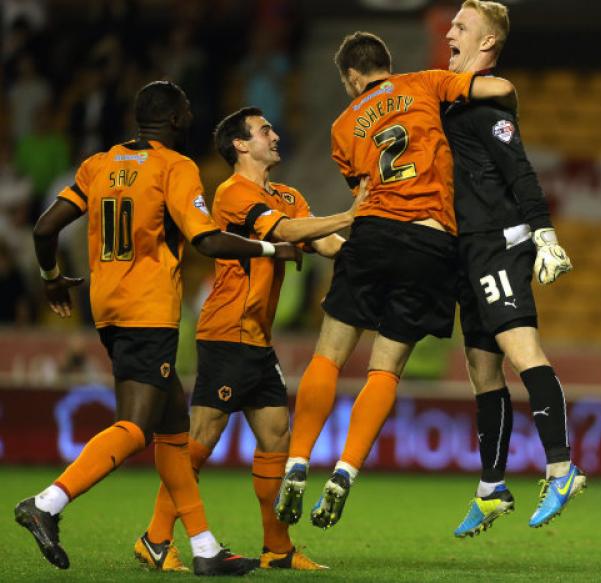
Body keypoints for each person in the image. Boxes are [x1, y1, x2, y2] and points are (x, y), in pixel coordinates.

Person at [14, 81, 301, 577]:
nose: (191, 117)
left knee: (172, 432)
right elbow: (207, 242)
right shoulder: (175, 166)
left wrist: (52, 279)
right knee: (136, 426)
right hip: (148, 309)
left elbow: (44, 228)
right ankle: (48, 502)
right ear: (173, 120)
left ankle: (205, 549)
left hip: (106, 306)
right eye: (187, 110)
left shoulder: (99, 163)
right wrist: (273, 249)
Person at [275, 31, 517, 529]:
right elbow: (496, 90)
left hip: (376, 232)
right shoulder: (426, 83)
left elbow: (362, 190)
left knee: (329, 355)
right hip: (432, 243)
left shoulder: (343, 126)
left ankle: (298, 460)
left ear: (350, 77)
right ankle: (346, 471)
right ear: (386, 63)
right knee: (384, 370)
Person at [133, 106, 368, 572]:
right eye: (265, 131)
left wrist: (372, 247)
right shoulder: (231, 194)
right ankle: (155, 538)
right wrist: (348, 214)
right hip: (225, 332)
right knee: (200, 439)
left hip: (257, 339)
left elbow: (321, 243)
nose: (275, 135)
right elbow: (282, 232)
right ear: (241, 145)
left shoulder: (287, 193)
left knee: (276, 436)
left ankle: (277, 549)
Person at [441, 1, 585, 538]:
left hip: (499, 245)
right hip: (469, 251)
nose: (449, 31)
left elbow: (520, 171)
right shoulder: (455, 104)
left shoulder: (488, 106)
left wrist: (544, 233)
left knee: (524, 355)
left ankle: (560, 467)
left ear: (487, 44)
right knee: (482, 372)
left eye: (460, 26)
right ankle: (491, 488)